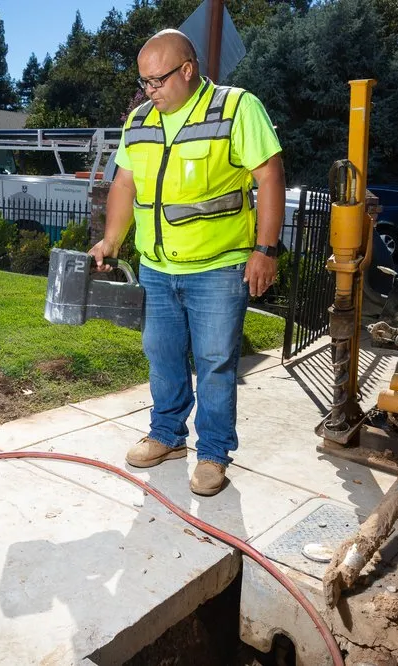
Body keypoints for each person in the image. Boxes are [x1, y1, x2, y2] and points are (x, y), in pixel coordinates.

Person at [89, 29, 285, 496]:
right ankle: (167, 435)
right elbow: (124, 185)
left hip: (218, 266)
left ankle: (214, 453)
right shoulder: (138, 120)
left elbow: (270, 175)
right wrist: (111, 242)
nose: (149, 91)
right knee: (161, 354)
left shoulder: (237, 108)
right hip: (158, 267)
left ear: (188, 70)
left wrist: (265, 250)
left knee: (215, 362)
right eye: (143, 83)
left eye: (157, 81)